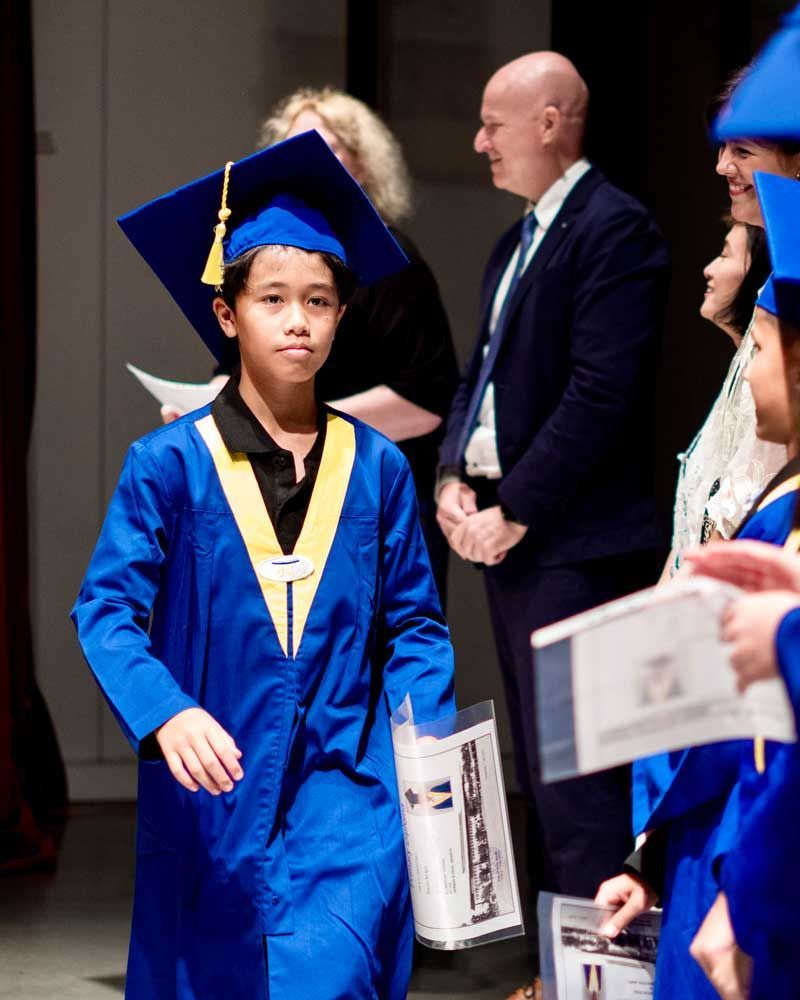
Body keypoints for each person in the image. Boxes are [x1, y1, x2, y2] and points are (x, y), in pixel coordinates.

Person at [71, 131, 455, 1000]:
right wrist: (164, 713)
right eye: (273, 298)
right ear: (226, 312)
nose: (297, 320)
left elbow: (418, 629)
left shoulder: (378, 468)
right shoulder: (168, 464)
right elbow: (105, 611)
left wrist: (424, 752)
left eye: (319, 300)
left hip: (346, 793)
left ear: (342, 315)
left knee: (330, 975)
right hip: (211, 793)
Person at [435, 49, 669, 985]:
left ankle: (600, 980)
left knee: (582, 786)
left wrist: (517, 509)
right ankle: (557, 971)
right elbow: (476, 379)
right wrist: (454, 475)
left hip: (575, 543)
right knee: (543, 771)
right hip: (519, 539)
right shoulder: (517, 238)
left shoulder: (617, 230)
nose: (479, 140)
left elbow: (602, 394)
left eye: (495, 122)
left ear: (552, 121)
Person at [595, 171, 800, 1000]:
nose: (745, 374)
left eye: (758, 348)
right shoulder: (778, 508)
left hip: (754, 864)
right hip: (714, 840)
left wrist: (745, 893)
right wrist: (646, 854)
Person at [175, 88, 458, 603]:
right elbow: (231, 369)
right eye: (293, 148)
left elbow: (426, 397)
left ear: (362, 166)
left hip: (368, 492)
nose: (298, 320)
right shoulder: (261, 258)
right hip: (273, 493)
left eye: (320, 303)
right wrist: (206, 415)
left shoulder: (393, 262)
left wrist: (301, 427)